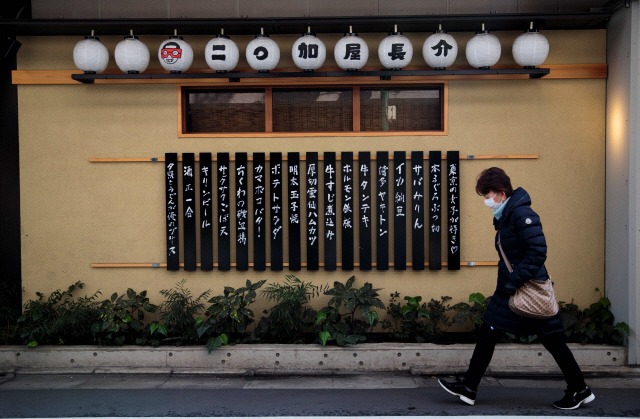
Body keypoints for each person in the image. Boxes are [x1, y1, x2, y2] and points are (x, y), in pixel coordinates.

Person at [438, 167, 595, 410]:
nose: (486, 200)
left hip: (526, 288)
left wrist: (514, 281)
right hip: (513, 287)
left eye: (488, 195)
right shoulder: (507, 215)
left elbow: (537, 253)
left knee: (552, 339)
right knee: (490, 331)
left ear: (501, 193)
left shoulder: (522, 214)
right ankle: (469, 387)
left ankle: (579, 388)